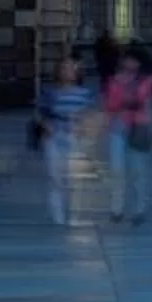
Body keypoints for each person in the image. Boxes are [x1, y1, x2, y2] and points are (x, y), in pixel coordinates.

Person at [102, 47, 152, 223]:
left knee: (138, 170)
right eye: (127, 59)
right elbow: (110, 105)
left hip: (138, 128)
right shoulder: (113, 81)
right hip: (118, 128)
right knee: (116, 170)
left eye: (134, 60)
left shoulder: (147, 80)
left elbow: (141, 101)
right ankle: (116, 208)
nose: (129, 63)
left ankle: (139, 209)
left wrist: (125, 99)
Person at [38, 54, 93, 227]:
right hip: (55, 136)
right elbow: (40, 113)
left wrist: (84, 127)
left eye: (71, 68)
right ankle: (57, 215)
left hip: (75, 138)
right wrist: (46, 125)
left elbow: (89, 114)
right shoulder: (50, 93)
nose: (67, 72)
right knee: (55, 176)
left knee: (74, 178)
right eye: (64, 68)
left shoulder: (85, 93)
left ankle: (73, 211)